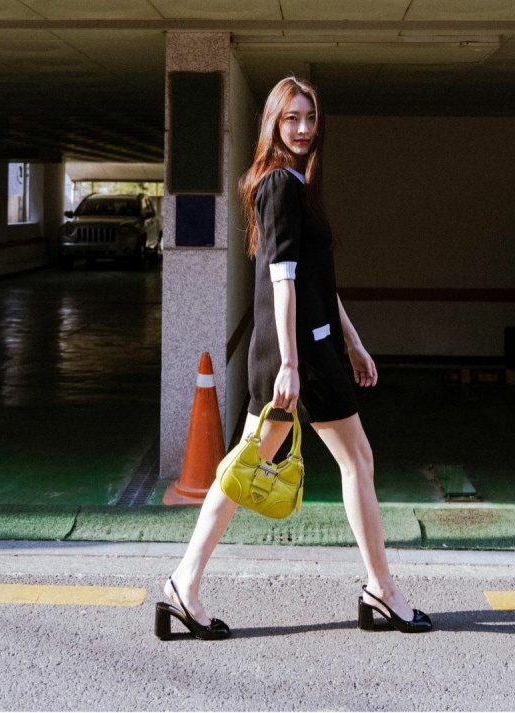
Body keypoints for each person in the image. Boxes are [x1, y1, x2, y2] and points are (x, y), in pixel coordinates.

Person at [155, 76, 432, 641]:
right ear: (273, 124)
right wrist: (290, 363)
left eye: (310, 118)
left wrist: (352, 341)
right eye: (292, 118)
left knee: (244, 469)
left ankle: (185, 582)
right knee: (354, 462)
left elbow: (316, 282)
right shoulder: (280, 184)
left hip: (309, 350)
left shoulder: (293, 184)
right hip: (300, 356)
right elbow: (282, 280)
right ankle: (382, 590)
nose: (303, 128)